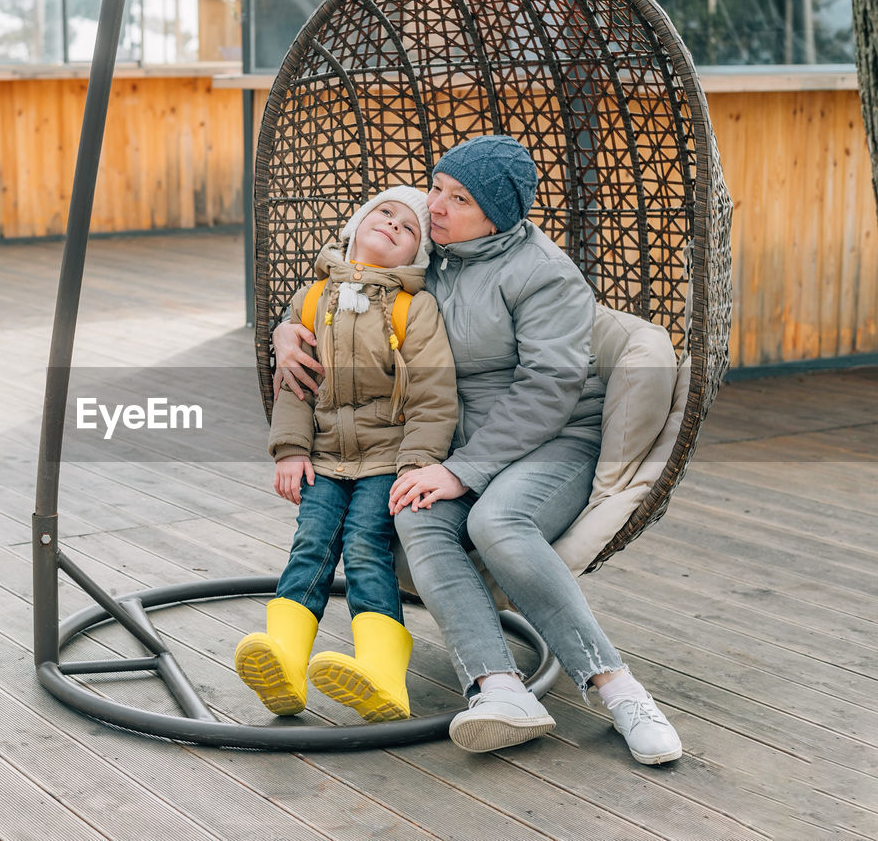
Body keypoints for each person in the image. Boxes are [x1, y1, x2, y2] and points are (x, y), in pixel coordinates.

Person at [272, 136, 682, 764]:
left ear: (500, 215)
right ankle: (498, 688)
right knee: (413, 514)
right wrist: (286, 330)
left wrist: (462, 471)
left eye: (457, 199)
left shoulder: (545, 273)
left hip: (553, 439)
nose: (434, 206)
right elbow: (350, 285)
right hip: (451, 441)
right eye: (435, 187)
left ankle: (617, 687)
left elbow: (550, 388)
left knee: (498, 522)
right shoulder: (432, 251)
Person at [235, 186, 458, 723]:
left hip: (387, 461)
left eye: (408, 228)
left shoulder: (414, 308)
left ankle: (383, 674)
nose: (393, 226)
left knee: (363, 548)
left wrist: (417, 464)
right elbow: (295, 385)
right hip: (325, 459)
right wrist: (290, 450)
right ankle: (285, 661)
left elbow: (433, 394)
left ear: (416, 255)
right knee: (310, 545)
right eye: (384, 213)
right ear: (355, 224)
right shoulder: (311, 301)